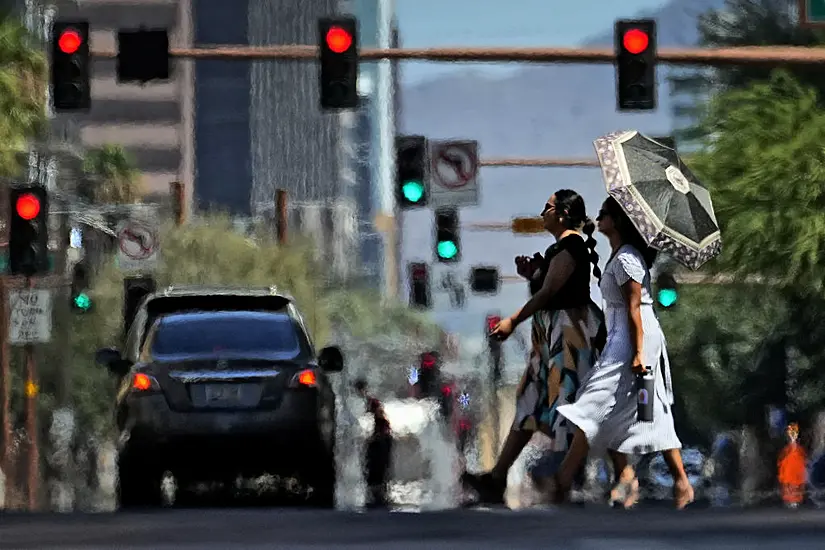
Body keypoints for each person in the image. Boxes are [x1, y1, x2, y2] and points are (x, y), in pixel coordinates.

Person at [462, 189, 630, 506]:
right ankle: (497, 478)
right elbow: (546, 288)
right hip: (551, 337)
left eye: (548, 207)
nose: (543, 213)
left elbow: (549, 292)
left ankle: (611, 477)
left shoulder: (571, 246)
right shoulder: (559, 250)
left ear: (563, 214)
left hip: (569, 337)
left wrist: (513, 320)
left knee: (582, 404)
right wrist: (532, 275)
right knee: (530, 403)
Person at [551, 196, 694, 509]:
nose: (598, 218)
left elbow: (634, 309)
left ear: (616, 221)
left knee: (594, 404)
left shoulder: (628, 257)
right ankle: (677, 480)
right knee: (646, 410)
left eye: (604, 214)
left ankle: (563, 481)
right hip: (624, 338)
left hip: (635, 339)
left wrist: (639, 354)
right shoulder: (619, 255)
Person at [354, 379, 393, 507]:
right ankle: (377, 493)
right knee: (374, 467)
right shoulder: (369, 403)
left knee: (377, 466)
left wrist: (375, 436)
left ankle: (378, 493)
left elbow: (381, 421)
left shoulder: (371, 403)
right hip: (378, 439)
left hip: (379, 440)